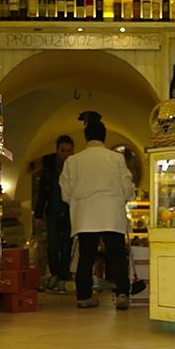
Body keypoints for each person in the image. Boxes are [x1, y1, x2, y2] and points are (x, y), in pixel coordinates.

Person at [60, 111, 134, 310]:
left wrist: (77, 203)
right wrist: (123, 198)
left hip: (85, 213)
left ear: (85, 138)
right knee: (116, 254)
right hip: (111, 210)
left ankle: (84, 296)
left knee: (87, 255)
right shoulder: (116, 158)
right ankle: (121, 294)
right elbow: (127, 186)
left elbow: (65, 191)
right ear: (104, 137)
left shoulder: (73, 161)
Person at [34, 135, 74, 293]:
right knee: (53, 245)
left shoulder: (74, 168)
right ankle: (56, 274)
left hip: (70, 212)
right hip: (52, 211)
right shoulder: (49, 169)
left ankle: (63, 277)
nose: (66, 154)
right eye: (63, 150)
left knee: (66, 246)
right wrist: (38, 215)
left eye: (69, 151)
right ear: (57, 150)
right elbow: (42, 194)